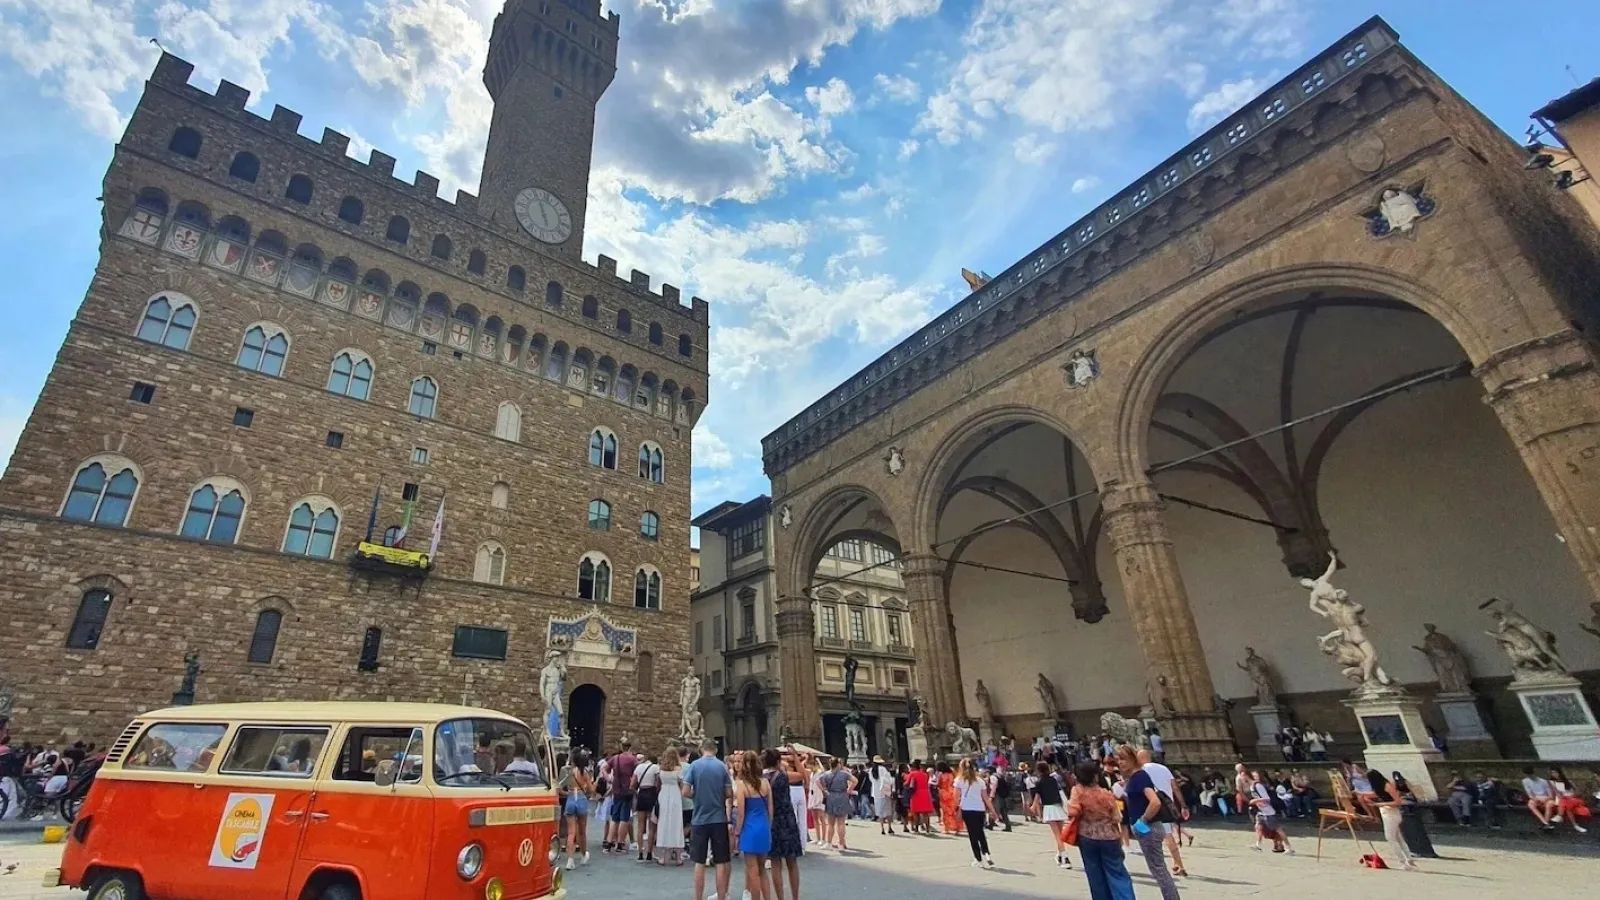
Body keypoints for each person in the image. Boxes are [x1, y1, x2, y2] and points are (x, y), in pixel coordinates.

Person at [1070, 761, 1136, 900]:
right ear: (1095, 776)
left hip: (1087, 836)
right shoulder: (1106, 794)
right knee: (1117, 872)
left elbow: (1073, 811)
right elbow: (1117, 818)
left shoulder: (1077, 791)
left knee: (1095, 875)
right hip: (1109, 837)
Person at [683, 739, 734, 900]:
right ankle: (721, 896)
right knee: (720, 861)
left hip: (699, 819)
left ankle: (698, 897)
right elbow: (729, 793)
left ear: (701, 749)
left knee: (699, 862)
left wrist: (697, 796)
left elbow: (685, 791)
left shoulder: (694, 766)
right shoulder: (722, 766)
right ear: (715, 750)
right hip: (718, 818)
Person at [1137, 748, 1188, 875]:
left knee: (1152, 834)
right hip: (1166, 806)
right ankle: (1177, 863)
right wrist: (1183, 805)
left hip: (1151, 806)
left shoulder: (1141, 770)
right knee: (1167, 835)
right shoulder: (1164, 768)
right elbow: (1175, 787)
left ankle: (1174, 865)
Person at [760, 749, 802, 900]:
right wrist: (794, 756)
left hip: (771, 820)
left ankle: (780, 898)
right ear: (778, 761)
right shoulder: (783, 776)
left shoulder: (761, 779)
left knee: (775, 863)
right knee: (792, 862)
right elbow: (802, 775)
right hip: (787, 820)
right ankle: (795, 897)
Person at [733, 752, 773, 900]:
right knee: (762, 870)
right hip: (763, 826)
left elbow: (741, 813)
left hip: (749, 828)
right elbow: (770, 809)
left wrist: (737, 831)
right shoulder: (766, 783)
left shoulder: (742, 785)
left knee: (752, 870)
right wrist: (769, 827)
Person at [1367, 771, 1417, 871]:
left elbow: (1398, 801)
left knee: (1390, 838)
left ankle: (1403, 861)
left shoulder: (1387, 786)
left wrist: (1378, 805)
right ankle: (1409, 860)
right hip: (1388, 813)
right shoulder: (1381, 787)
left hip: (1391, 814)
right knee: (1398, 838)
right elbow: (1377, 794)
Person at [557, 748, 596, 870]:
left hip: (570, 800)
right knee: (582, 831)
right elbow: (591, 790)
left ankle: (570, 860)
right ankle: (584, 855)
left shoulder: (569, 772)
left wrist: (567, 792)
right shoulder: (584, 773)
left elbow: (559, 789)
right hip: (581, 799)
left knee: (571, 832)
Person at [954, 758, 997, 868]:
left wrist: (957, 809)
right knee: (980, 832)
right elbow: (986, 798)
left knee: (973, 835)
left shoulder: (959, 780)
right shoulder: (980, 781)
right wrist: (993, 811)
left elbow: (956, 798)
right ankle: (987, 854)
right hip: (980, 809)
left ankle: (978, 859)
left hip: (967, 809)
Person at [1031, 761, 1073, 869]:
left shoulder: (1039, 782)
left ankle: (1065, 857)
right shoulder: (1054, 780)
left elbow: (1037, 798)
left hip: (1049, 808)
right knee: (1060, 834)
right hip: (1058, 807)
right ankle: (1060, 855)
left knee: (1057, 835)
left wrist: (1033, 807)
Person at [605, 738, 639, 854]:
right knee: (624, 818)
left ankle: (609, 842)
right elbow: (637, 773)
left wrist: (608, 778)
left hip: (616, 789)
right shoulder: (632, 759)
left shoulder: (615, 758)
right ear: (630, 748)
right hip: (627, 790)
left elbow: (604, 768)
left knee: (614, 817)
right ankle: (620, 843)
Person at [654, 747, 687, 865]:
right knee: (677, 823)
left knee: (663, 823)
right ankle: (678, 856)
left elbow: (657, 784)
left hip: (664, 794)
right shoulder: (678, 769)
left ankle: (663, 856)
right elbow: (682, 785)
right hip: (675, 794)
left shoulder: (661, 770)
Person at [1248, 770, 1293, 855]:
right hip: (1262, 811)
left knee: (1278, 829)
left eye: (1255, 776)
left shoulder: (1260, 786)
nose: (1253, 778)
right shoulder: (1255, 786)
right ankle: (1258, 845)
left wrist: (1255, 800)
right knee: (1258, 827)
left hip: (1268, 812)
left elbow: (1267, 799)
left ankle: (1289, 847)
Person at [820, 756, 854, 849]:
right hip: (842, 796)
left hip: (831, 796)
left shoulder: (826, 774)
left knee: (830, 823)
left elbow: (817, 781)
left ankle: (829, 843)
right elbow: (855, 780)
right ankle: (842, 843)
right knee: (841, 822)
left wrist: (824, 790)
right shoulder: (844, 774)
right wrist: (849, 789)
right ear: (838, 764)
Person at [632, 752, 661, 862]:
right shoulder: (655, 768)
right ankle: (649, 852)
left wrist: (637, 792)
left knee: (640, 825)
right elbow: (658, 782)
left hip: (642, 794)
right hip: (651, 794)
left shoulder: (638, 767)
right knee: (651, 825)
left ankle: (640, 852)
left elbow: (632, 784)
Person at [1548, 767, 1590, 834]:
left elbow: (1578, 792)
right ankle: (1575, 825)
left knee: (1566, 802)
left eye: (1555, 772)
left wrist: (1571, 796)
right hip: (1564, 800)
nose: (1554, 774)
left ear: (1559, 773)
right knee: (1567, 806)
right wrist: (1564, 796)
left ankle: (1559, 815)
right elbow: (1558, 794)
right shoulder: (1552, 782)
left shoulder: (1568, 781)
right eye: (1552, 773)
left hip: (1575, 799)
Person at [906, 760, 934, 834]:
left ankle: (916, 829)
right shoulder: (924, 774)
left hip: (916, 794)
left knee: (916, 813)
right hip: (925, 793)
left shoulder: (912, 774)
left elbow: (907, 783)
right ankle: (928, 829)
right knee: (926, 814)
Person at [936, 761, 964, 835]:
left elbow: (939, 784)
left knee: (945, 812)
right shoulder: (952, 772)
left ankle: (947, 828)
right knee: (954, 811)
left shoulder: (941, 775)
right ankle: (957, 828)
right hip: (953, 792)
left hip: (944, 793)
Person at [870, 756, 896, 835]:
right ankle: (889, 827)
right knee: (888, 810)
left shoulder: (871, 770)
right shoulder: (883, 769)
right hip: (884, 792)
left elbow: (871, 780)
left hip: (876, 792)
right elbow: (888, 780)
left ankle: (882, 828)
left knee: (880, 811)